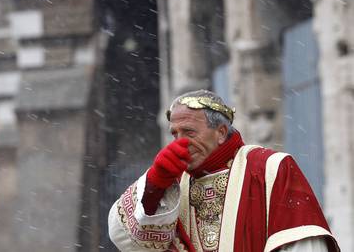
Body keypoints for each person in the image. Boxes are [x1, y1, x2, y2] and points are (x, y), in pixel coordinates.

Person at [108, 89, 339, 252]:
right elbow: (125, 239)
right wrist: (154, 186)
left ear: (220, 132)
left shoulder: (268, 168)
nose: (179, 143)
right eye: (174, 134)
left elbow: (304, 244)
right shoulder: (172, 181)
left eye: (189, 132)